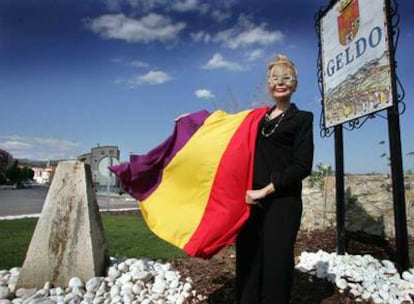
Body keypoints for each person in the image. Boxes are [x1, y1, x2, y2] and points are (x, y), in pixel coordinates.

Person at [236, 54, 314, 304]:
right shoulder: (256, 119)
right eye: (274, 78)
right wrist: (194, 123)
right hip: (251, 202)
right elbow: (225, 129)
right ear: (269, 84)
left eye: (286, 77)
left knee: (276, 264)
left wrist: (265, 190)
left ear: (295, 84)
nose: (280, 82)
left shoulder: (302, 119)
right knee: (248, 259)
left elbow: (302, 166)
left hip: (282, 202)